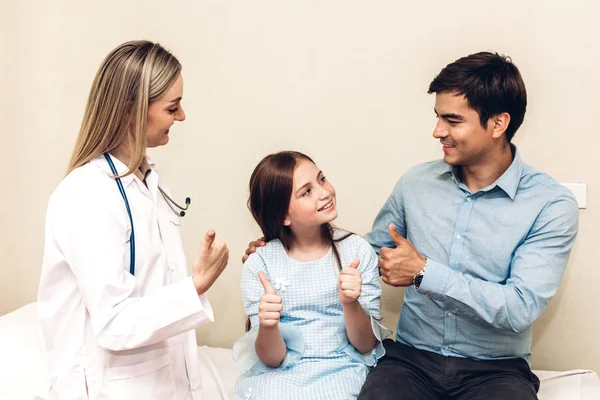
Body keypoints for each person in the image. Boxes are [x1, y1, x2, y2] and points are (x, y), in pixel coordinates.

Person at [244, 52, 579, 400]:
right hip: (410, 361)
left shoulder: (550, 205)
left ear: (497, 124)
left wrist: (424, 271)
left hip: (495, 369)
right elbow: (364, 257)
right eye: (437, 117)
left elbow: (519, 307)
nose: (438, 131)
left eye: (452, 120)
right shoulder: (416, 182)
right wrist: (281, 250)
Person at [37, 40, 229, 400]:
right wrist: (196, 286)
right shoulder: (87, 194)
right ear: (132, 110)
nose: (183, 116)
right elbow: (113, 322)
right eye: (173, 107)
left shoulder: (146, 182)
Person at [233, 151, 391, 400]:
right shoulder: (260, 263)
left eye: (322, 179)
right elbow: (272, 359)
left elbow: (366, 345)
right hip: (280, 375)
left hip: (341, 370)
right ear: (283, 216)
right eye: (306, 191)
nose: (324, 192)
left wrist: (351, 304)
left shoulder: (357, 251)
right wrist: (268, 325)